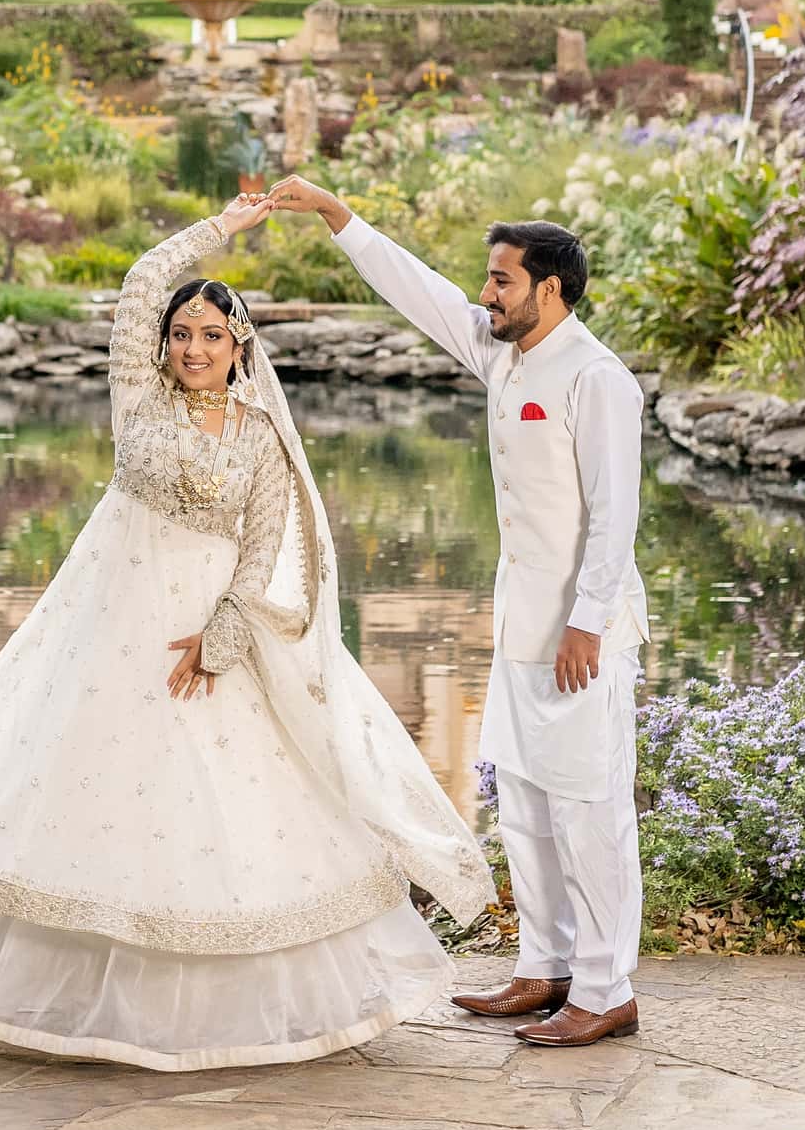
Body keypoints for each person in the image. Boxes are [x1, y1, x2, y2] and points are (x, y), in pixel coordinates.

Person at [0, 200, 495, 1071]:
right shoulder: (137, 401)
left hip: (210, 639)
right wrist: (225, 224)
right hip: (111, 631)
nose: (192, 347)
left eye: (212, 336)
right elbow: (145, 277)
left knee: (225, 806)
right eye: (182, 333)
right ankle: (63, 1001)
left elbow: (265, 546)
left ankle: (225, 1013)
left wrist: (222, 637)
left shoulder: (261, 436)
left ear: (239, 348)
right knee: (91, 799)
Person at [263, 176, 649, 1049]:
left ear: (549, 288)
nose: (485, 293)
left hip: (584, 634)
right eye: (488, 278)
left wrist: (589, 622)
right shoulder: (502, 352)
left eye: (502, 281)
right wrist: (337, 216)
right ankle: (544, 967)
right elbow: (422, 292)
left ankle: (605, 988)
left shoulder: (599, 379)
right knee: (524, 804)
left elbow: (616, 515)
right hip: (521, 626)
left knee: (590, 809)